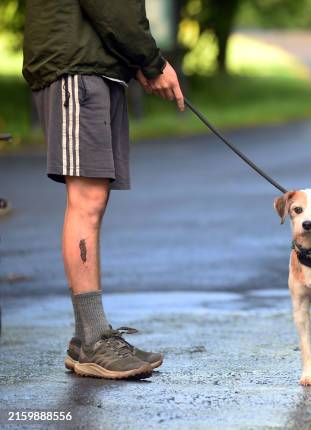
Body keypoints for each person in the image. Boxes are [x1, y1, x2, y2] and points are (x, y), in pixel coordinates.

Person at [23, 0, 184, 380]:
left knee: (94, 199)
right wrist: (152, 61)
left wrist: (135, 62)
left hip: (93, 66)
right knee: (86, 202)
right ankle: (95, 339)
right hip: (77, 67)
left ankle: (86, 339)